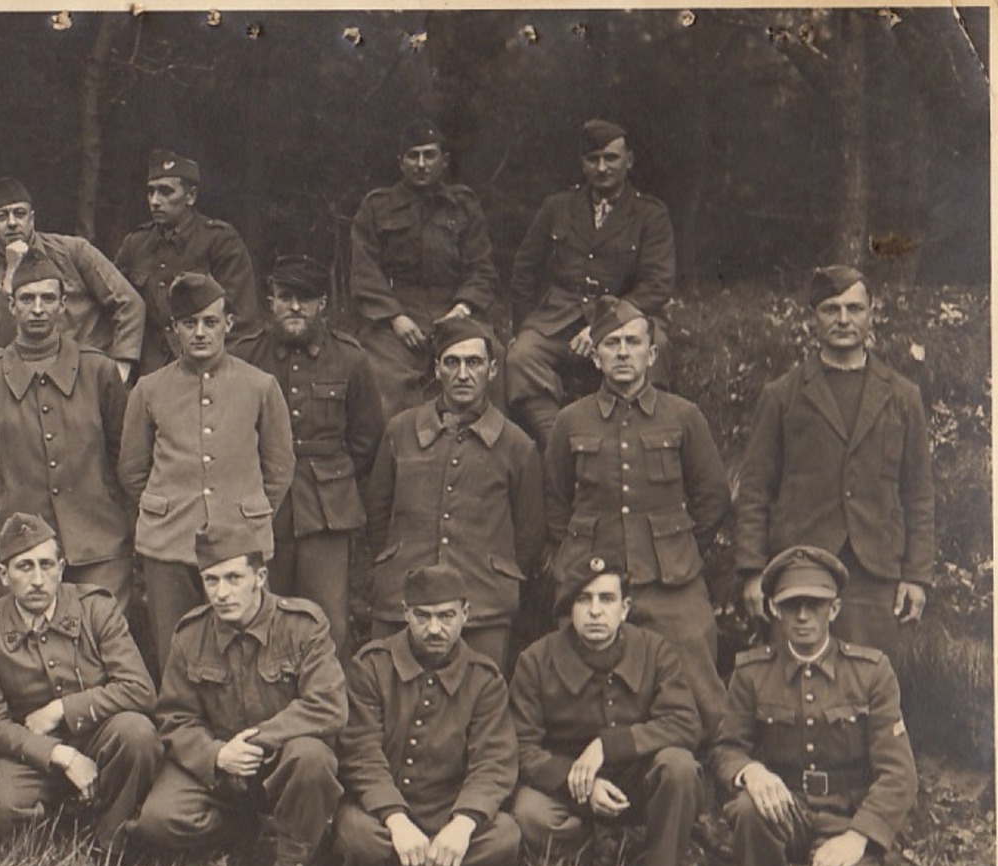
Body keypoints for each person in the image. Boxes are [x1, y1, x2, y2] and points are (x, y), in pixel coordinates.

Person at [131, 523, 348, 866]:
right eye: (211, 580)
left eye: (234, 577)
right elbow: (175, 717)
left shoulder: (302, 626)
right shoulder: (190, 634)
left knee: (312, 758)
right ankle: (247, 834)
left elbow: (328, 705)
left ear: (260, 577)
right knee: (159, 820)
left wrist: (257, 740)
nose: (222, 592)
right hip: (223, 775)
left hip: (283, 767)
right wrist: (216, 755)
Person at [543, 296, 730, 737]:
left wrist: (676, 545)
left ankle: (719, 771)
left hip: (672, 578)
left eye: (632, 342)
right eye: (611, 343)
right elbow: (554, 503)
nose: (623, 352)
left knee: (698, 672)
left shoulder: (684, 417)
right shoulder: (570, 422)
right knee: (581, 676)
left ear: (652, 353)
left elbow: (713, 497)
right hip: (592, 576)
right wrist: (574, 561)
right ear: (595, 355)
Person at [735, 266, 934, 663]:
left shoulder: (902, 396)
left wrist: (915, 575)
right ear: (814, 317)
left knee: (871, 685)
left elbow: (919, 494)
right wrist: (753, 571)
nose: (843, 320)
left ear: (872, 313)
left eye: (854, 309)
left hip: (875, 570)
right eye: (831, 309)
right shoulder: (781, 396)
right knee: (795, 687)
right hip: (800, 567)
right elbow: (755, 489)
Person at [711, 545, 918, 866]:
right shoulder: (752, 673)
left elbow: (899, 773)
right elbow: (727, 749)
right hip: (785, 811)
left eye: (815, 604)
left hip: (846, 815)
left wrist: (857, 838)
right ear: (775, 608)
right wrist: (751, 772)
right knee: (746, 807)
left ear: (834, 609)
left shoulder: (871, 672)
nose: (803, 616)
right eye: (792, 605)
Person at [117, 272, 295, 673]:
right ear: (173, 329)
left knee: (246, 648)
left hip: (240, 540)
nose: (200, 332)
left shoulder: (260, 386)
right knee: (175, 649)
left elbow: (280, 467)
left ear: (228, 325)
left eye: (210, 322)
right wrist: (169, 503)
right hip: (170, 541)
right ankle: (179, 731)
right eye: (189, 323)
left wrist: (247, 510)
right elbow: (132, 470)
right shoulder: (149, 389)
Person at [507, 555, 704, 866]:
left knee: (680, 767)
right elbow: (521, 746)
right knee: (529, 811)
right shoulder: (536, 660)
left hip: (638, 783)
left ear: (625, 608)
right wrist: (579, 782)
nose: (595, 611)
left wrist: (608, 746)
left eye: (606, 599)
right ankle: (581, 862)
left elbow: (684, 723)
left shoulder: (655, 650)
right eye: (584, 599)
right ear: (569, 609)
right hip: (572, 791)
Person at [0, 513, 161, 850]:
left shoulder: (95, 608)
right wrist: (61, 755)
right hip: (31, 752)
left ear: (62, 567)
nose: (38, 579)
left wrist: (61, 709)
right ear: (3, 574)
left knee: (138, 734)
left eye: (46, 565)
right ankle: (49, 835)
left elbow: (140, 689)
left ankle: (110, 837)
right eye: (24, 567)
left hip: (98, 736)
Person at [364, 314, 543, 669]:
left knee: (475, 702)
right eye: (452, 362)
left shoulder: (516, 445)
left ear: (492, 371)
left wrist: (496, 574)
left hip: (482, 603)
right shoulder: (400, 431)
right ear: (436, 369)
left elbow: (529, 534)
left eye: (474, 363)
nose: (463, 374)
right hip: (402, 596)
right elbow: (378, 515)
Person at [230, 253, 384, 657]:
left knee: (327, 621)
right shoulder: (246, 356)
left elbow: (366, 438)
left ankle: (328, 709)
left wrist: (336, 479)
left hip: (327, 510)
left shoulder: (351, 358)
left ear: (322, 305)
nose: (295, 307)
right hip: (263, 505)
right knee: (262, 614)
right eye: (286, 297)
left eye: (306, 298)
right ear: (271, 301)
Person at [0, 254, 134, 611]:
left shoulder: (98, 371)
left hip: (98, 542)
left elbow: (124, 456)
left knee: (100, 644)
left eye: (47, 299)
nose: (38, 309)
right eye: (27, 299)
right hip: (21, 545)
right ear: (12, 305)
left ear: (63, 304)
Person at [333, 565, 521, 866]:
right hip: (382, 817)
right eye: (423, 616)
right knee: (356, 834)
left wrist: (462, 825)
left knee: (505, 837)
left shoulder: (484, 678)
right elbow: (361, 753)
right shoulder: (373, 666)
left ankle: (423, 864)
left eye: (446, 616)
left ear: (466, 613)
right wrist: (396, 819)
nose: (434, 629)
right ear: (405, 613)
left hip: (449, 813)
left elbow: (493, 762)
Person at [507, 119, 676, 448]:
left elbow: (657, 284)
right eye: (593, 159)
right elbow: (525, 269)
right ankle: (560, 444)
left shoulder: (649, 214)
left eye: (611, 159)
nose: (602, 168)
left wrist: (603, 326)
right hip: (559, 319)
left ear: (629, 161)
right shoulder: (557, 207)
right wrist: (525, 325)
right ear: (582, 164)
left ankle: (640, 441)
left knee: (658, 347)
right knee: (520, 357)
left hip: (625, 315)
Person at [349, 118, 500, 419]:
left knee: (491, 360)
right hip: (399, 315)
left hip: (454, 308)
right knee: (382, 377)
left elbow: (481, 267)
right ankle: (396, 459)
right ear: (400, 162)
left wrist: (463, 308)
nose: (421, 164)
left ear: (444, 161)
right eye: (412, 155)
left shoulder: (464, 205)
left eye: (429, 155)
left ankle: (488, 456)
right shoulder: (377, 207)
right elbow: (365, 271)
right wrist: (395, 317)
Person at [0, 177, 145, 380]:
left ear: (32, 219)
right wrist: (11, 272)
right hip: (34, 382)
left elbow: (129, 303)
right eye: (1, 217)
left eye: (19, 214)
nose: (12, 223)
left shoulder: (72, 251)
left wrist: (121, 366)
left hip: (89, 370)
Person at [114, 149, 259, 377]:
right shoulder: (136, 245)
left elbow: (240, 320)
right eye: (151, 191)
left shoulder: (220, 241)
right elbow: (115, 306)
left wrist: (219, 375)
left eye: (165, 192)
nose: (155, 201)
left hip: (206, 370)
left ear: (190, 196)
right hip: (146, 374)